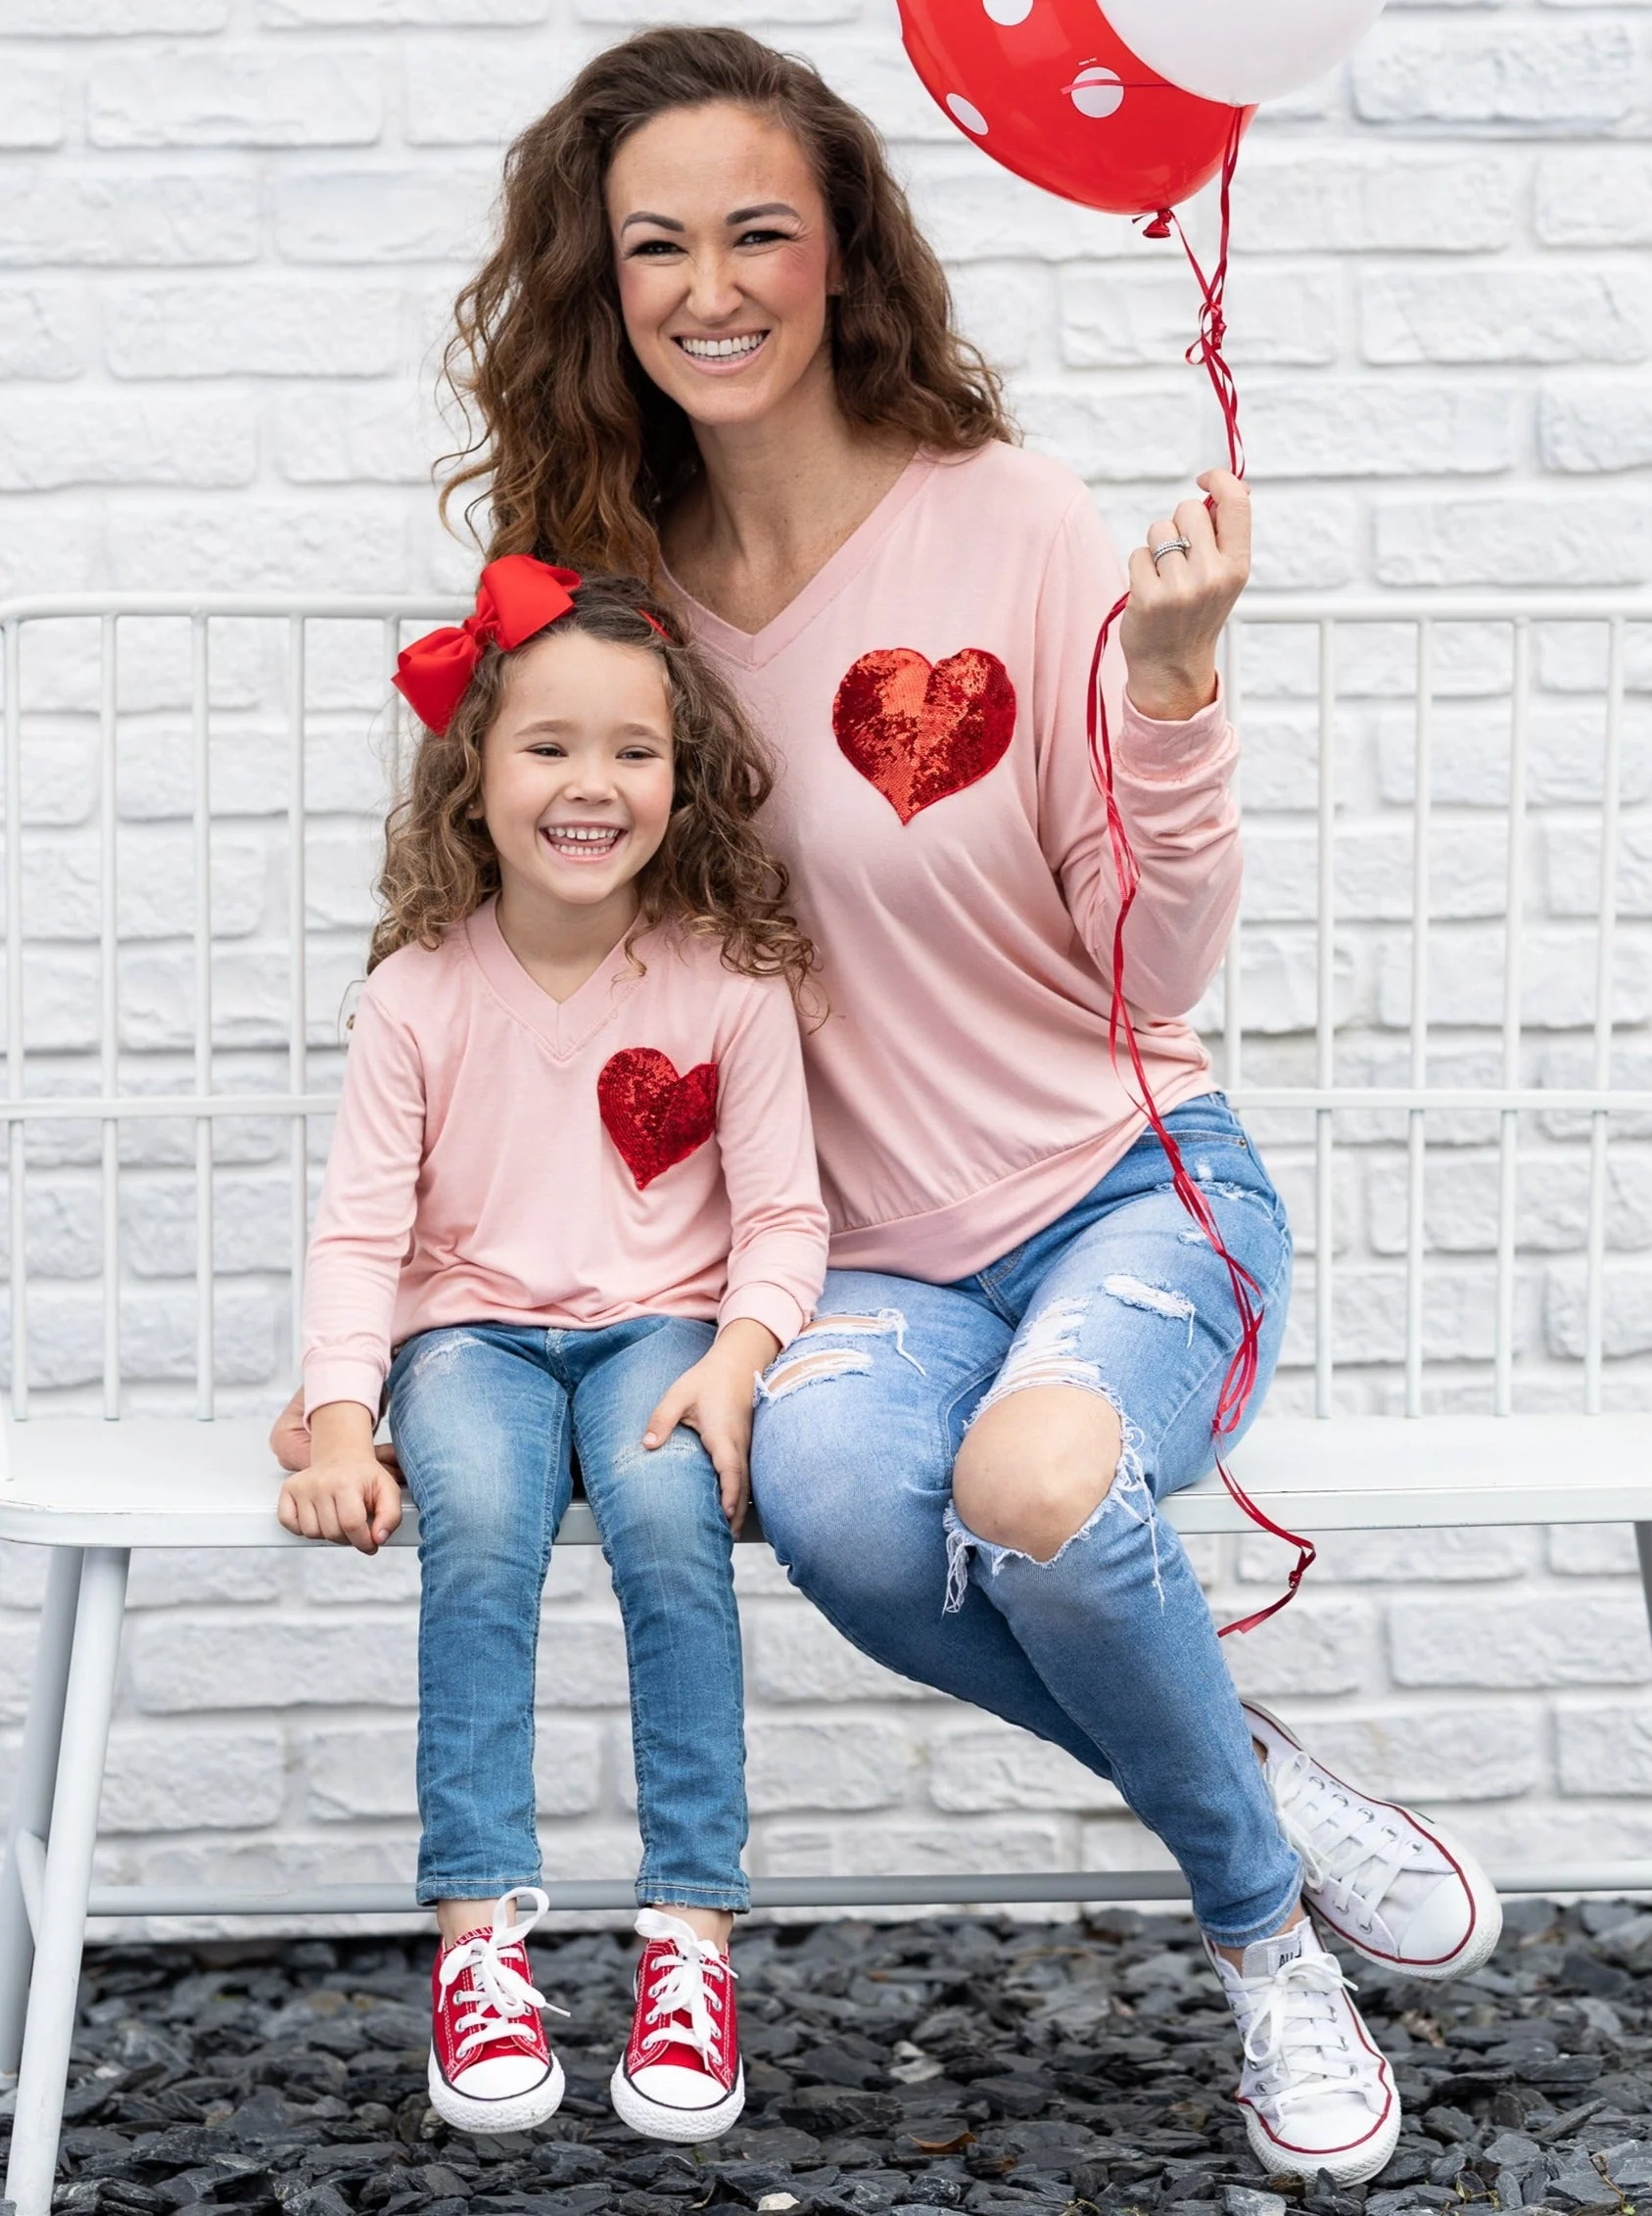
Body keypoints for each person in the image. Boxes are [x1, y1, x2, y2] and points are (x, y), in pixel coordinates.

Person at [273, 26, 1501, 2186]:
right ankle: (1265, 1783)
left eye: (761, 230)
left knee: (1035, 1482)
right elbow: (537, 968)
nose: (711, 285)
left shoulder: (1009, 523)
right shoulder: (610, 600)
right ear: (602, 280)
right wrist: (387, 1342)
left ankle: (1257, 1948)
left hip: (1123, 1191)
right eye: (657, 244)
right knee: (842, 1516)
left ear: (847, 257)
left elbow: (1153, 961)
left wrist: (1174, 686)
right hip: (857, 1264)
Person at [278, 559, 828, 2145]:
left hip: (662, 1329)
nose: (592, 783)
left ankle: (688, 1941)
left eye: (634, 751)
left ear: (682, 777)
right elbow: (360, 1239)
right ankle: (479, 1945)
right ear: (474, 768)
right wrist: (333, 1417)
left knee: (667, 1521)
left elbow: (786, 1217)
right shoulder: (417, 994)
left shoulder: (730, 980)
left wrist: (735, 1360)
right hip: (469, 1336)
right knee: (480, 1517)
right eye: (548, 746)